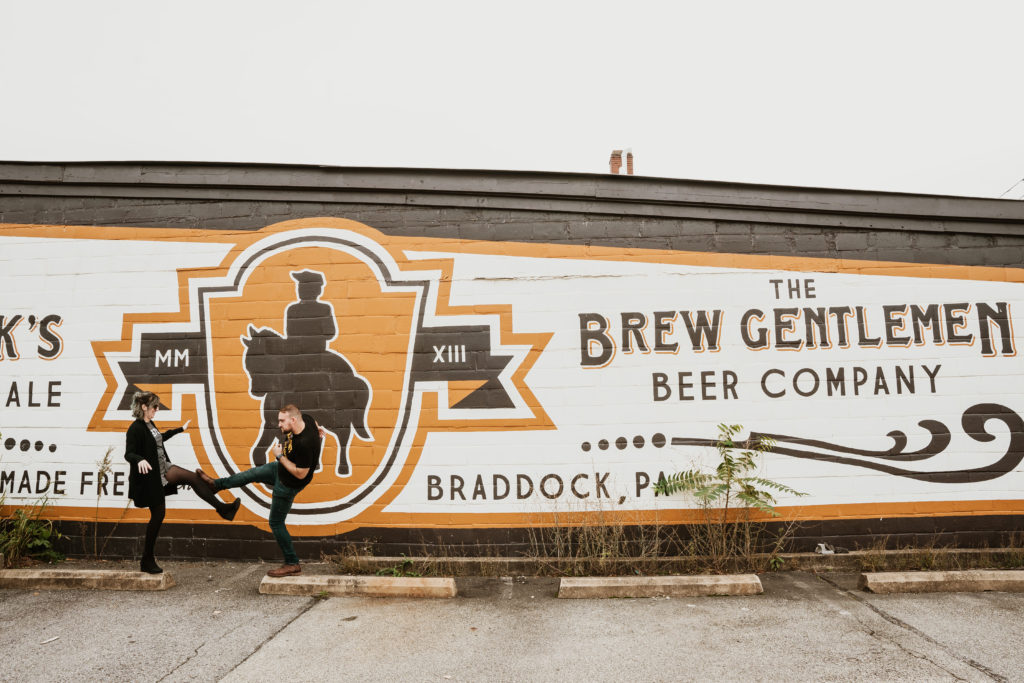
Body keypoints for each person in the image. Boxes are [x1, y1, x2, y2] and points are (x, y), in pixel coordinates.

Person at [197, 404, 322, 577]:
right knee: (251, 474)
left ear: (293, 420)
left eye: (282, 421)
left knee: (276, 523)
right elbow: (314, 423)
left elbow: (301, 474)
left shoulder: (305, 443)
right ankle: (216, 485)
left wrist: (279, 456)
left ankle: (292, 563)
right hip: (281, 469)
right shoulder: (306, 419)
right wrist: (319, 429)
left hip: (288, 483)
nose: (279, 424)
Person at [125, 391, 240, 574]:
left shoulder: (150, 424)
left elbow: (159, 438)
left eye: (157, 406)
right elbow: (129, 453)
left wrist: (180, 429)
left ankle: (223, 509)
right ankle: (147, 560)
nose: (157, 409)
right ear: (144, 407)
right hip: (151, 477)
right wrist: (139, 459)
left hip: (163, 467)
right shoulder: (135, 428)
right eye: (154, 406)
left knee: (193, 478)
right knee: (158, 515)